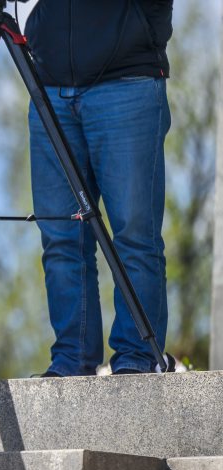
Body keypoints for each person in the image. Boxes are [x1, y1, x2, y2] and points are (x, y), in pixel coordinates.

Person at [26, 0, 174, 376]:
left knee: (135, 235)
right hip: (50, 85)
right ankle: (70, 360)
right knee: (60, 239)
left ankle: (136, 359)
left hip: (128, 80)